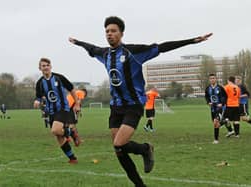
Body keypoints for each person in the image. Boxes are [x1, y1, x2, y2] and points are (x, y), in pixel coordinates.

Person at [69, 16, 212, 186]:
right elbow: (90, 48)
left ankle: (145, 149)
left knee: (119, 143)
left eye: (113, 31)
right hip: (116, 107)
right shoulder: (105, 54)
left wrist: (192, 41)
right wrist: (77, 42)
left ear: (121, 33)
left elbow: (162, 47)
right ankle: (140, 184)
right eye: (107, 31)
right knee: (118, 149)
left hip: (133, 105)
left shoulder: (134, 52)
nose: (109, 34)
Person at [33, 57, 80, 164]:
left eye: (47, 65)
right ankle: (72, 158)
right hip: (51, 111)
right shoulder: (40, 83)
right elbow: (38, 96)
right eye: (43, 66)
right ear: (40, 68)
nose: (45, 67)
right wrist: (37, 101)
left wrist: (77, 103)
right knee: (58, 135)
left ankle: (71, 132)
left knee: (55, 130)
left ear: (51, 66)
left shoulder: (59, 78)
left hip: (63, 109)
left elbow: (72, 89)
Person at [204, 74, 227, 144]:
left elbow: (225, 96)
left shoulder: (220, 88)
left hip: (220, 108)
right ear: (209, 80)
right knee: (215, 124)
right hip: (212, 108)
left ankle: (216, 140)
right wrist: (208, 102)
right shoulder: (208, 88)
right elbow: (207, 97)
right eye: (211, 78)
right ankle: (225, 121)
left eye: (213, 78)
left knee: (215, 122)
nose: (212, 80)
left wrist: (222, 103)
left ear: (216, 79)